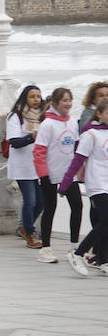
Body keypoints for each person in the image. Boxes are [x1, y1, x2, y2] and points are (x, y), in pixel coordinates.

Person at [61, 99, 108, 276]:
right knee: (106, 221)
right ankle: (78, 253)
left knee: (106, 223)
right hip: (97, 185)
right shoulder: (91, 135)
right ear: (99, 114)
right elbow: (77, 160)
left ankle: (103, 260)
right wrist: (66, 183)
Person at [35, 87, 82, 261]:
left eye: (69, 100)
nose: (67, 103)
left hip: (68, 173)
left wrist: (78, 170)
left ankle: (73, 247)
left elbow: (77, 147)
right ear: (55, 102)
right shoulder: (47, 124)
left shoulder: (72, 122)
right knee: (50, 208)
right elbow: (39, 152)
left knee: (77, 206)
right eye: (64, 100)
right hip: (50, 173)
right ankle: (45, 248)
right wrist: (43, 174)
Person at [6, 85, 44, 248]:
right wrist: (32, 137)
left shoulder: (41, 117)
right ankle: (30, 232)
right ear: (24, 98)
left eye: (38, 96)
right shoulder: (15, 116)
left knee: (41, 201)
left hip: (36, 164)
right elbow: (14, 142)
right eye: (32, 96)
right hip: (21, 165)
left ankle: (25, 227)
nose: (36, 99)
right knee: (30, 200)